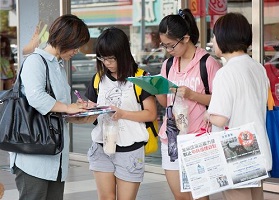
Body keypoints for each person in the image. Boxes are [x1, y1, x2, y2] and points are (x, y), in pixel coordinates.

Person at [9, 14, 91, 200]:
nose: (76, 51)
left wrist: (78, 111)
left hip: (55, 155)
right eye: (76, 45)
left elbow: (57, 109)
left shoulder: (57, 66)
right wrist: (68, 107)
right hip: (33, 155)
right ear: (65, 39)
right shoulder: (35, 61)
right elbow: (36, 97)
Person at [83, 27, 157, 200]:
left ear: (123, 53)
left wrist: (122, 113)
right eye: (102, 58)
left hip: (130, 151)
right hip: (101, 147)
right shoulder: (98, 78)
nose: (106, 63)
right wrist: (87, 110)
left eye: (111, 58)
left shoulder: (140, 77)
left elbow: (151, 114)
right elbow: (93, 112)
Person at [205, 12, 272, 200]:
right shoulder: (258, 68)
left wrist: (207, 115)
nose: (213, 40)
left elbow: (221, 117)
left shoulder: (226, 73)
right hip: (258, 149)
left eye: (215, 35)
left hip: (236, 154)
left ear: (224, 37)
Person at [156, 8, 221, 200]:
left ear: (185, 38)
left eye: (171, 45)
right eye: (165, 45)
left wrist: (193, 95)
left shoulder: (207, 63)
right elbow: (165, 101)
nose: (168, 50)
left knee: (199, 196)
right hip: (172, 138)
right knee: (180, 196)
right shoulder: (168, 65)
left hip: (199, 139)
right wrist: (156, 89)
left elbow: (220, 101)